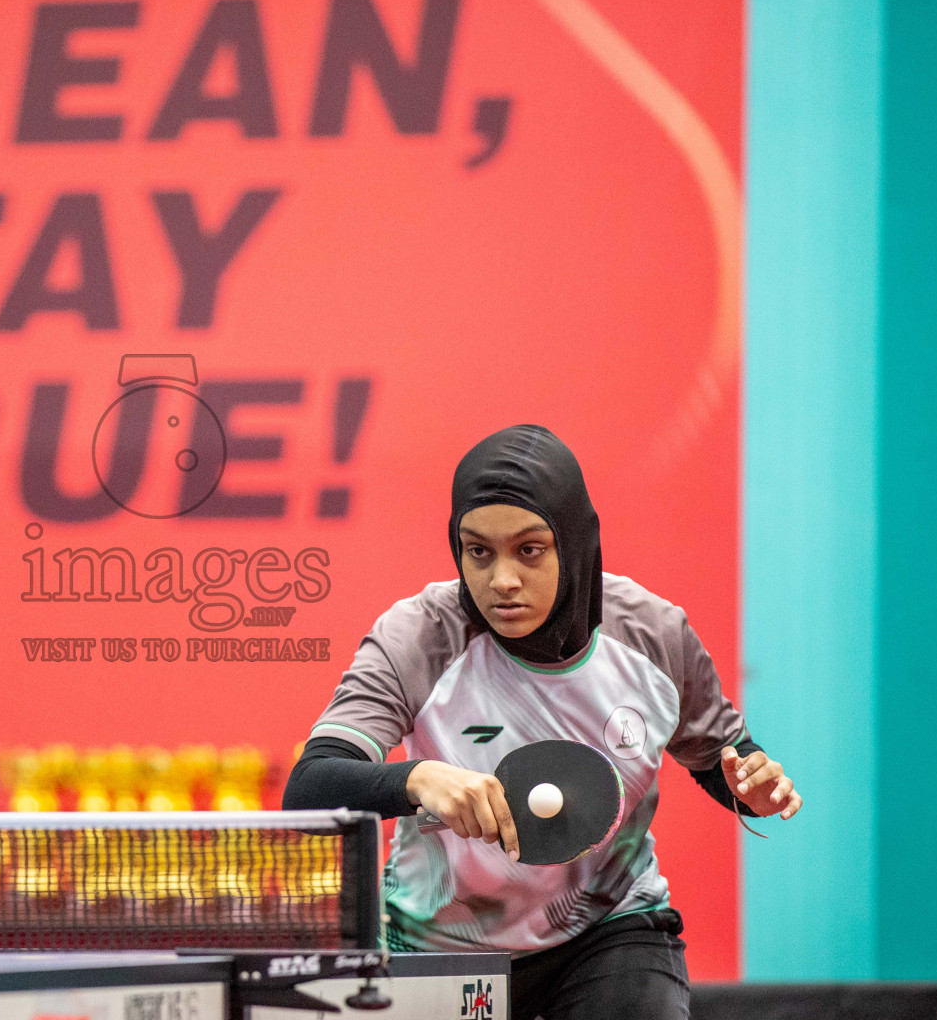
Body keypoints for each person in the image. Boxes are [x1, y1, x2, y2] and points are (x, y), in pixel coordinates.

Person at [283, 425, 801, 1020]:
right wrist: (418, 779)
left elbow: (724, 757)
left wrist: (749, 788)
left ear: (573, 542)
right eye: (479, 551)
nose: (502, 580)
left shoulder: (653, 633)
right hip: (441, 945)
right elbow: (312, 785)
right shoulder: (418, 637)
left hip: (608, 928)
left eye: (529, 549)